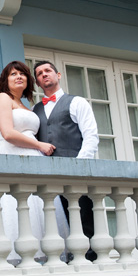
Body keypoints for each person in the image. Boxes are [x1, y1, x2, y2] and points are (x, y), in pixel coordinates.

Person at [0, 61, 55, 265]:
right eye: (13, 74)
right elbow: (8, 133)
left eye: (22, 73)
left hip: (33, 162)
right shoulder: (1, 98)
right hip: (10, 158)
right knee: (13, 211)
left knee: (36, 215)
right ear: (6, 80)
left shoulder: (27, 106)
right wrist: (40, 145)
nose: (19, 76)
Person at [32, 60, 99, 261]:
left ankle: (90, 264)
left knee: (83, 222)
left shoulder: (77, 102)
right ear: (37, 82)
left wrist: (77, 167)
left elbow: (91, 136)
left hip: (77, 175)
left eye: (48, 71)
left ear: (58, 75)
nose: (44, 74)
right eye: (40, 73)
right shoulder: (35, 111)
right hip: (49, 180)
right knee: (56, 226)